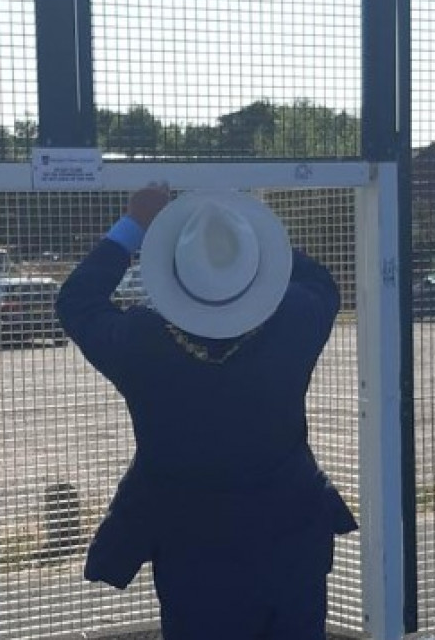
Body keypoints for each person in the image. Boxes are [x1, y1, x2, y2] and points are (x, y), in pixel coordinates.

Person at [56, 183, 357, 640]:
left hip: (193, 553)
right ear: (256, 272)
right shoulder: (297, 319)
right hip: (292, 545)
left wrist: (134, 224)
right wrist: (256, 230)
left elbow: (77, 301)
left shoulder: (143, 343)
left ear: (172, 276)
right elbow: (321, 282)